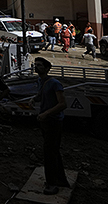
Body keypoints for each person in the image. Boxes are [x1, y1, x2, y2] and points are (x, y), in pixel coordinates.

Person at [29, 57, 70, 195]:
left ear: (47, 68)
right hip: (45, 121)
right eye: (36, 65)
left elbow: (62, 104)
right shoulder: (41, 81)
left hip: (54, 121)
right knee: (53, 151)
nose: (37, 67)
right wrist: (34, 99)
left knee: (49, 153)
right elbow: (41, 95)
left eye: (40, 65)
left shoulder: (54, 83)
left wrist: (46, 113)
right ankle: (60, 179)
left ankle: (52, 184)